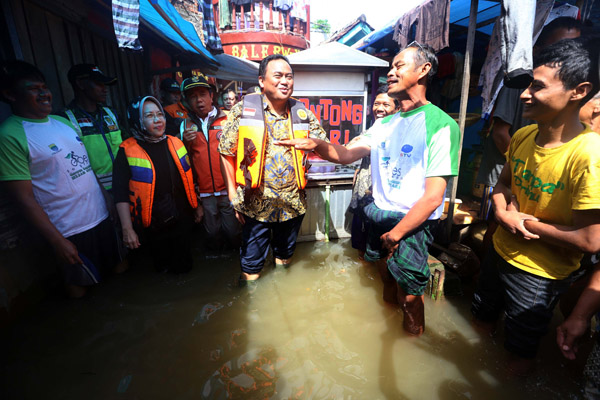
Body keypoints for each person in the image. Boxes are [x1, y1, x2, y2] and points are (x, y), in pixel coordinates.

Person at [278, 43, 460, 336]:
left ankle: (413, 346)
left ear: (424, 70)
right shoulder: (385, 125)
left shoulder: (442, 125)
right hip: (378, 215)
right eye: (392, 66)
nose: (391, 72)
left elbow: (434, 197)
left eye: (399, 66)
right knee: (386, 279)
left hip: (410, 222)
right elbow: (347, 154)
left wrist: (397, 234)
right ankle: (388, 327)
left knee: (411, 296)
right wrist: (317, 145)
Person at [470, 38, 600, 376]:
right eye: (529, 84)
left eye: (537, 87)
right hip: (499, 251)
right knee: (480, 319)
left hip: (538, 274)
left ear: (578, 91)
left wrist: (525, 224)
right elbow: (502, 185)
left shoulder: (589, 156)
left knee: (521, 352)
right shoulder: (525, 135)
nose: (525, 94)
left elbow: (591, 241)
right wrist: (501, 213)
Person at [0, 60, 120, 298]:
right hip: (69, 230)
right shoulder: (10, 135)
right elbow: (23, 199)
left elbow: (86, 166)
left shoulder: (63, 122)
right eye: (34, 89)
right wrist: (57, 241)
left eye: (44, 87)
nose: (44, 93)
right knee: (80, 293)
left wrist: (106, 198)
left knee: (118, 275)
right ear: (10, 95)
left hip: (101, 217)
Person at [218, 54, 328, 285]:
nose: (285, 81)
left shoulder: (302, 113)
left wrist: (320, 145)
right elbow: (226, 153)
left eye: (289, 76)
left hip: (292, 205)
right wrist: (232, 197)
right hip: (255, 206)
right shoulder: (242, 110)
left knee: (284, 260)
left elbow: (323, 145)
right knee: (251, 270)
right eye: (277, 75)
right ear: (261, 81)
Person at [475, 17, 581, 253]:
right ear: (538, 48)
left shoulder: (585, 145)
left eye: (573, 47)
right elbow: (500, 133)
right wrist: (524, 169)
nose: (565, 55)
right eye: (558, 48)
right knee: (498, 225)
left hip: (535, 180)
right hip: (513, 169)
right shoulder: (521, 87)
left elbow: (589, 239)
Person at [112, 96, 198, 273]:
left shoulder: (176, 142)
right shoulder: (126, 150)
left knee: (185, 268)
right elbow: (120, 193)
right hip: (151, 228)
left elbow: (189, 179)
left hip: (180, 220)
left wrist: (198, 207)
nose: (158, 120)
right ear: (138, 120)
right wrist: (127, 229)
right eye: (150, 116)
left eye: (160, 114)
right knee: (160, 271)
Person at [175, 75, 240, 250]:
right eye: (193, 96)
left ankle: (235, 261)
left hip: (227, 188)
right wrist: (184, 141)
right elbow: (183, 161)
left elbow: (239, 153)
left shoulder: (228, 120)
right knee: (212, 233)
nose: (199, 100)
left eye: (202, 94)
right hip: (204, 192)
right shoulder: (185, 125)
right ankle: (219, 257)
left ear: (212, 96)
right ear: (187, 100)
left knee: (233, 231)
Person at [348, 85, 399, 259]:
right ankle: (363, 271)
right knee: (360, 241)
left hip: (380, 198)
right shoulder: (373, 128)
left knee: (379, 246)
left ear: (397, 108)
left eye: (386, 105)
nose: (379, 109)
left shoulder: (396, 132)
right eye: (377, 104)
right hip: (362, 194)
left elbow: (350, 149)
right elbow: (353, 149)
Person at [60, 64, 123, 191]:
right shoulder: (65, 119)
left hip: (124, 185)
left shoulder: (110, 113)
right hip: (93, 192)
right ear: (80, 84)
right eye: (99, 83)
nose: (104, 89)